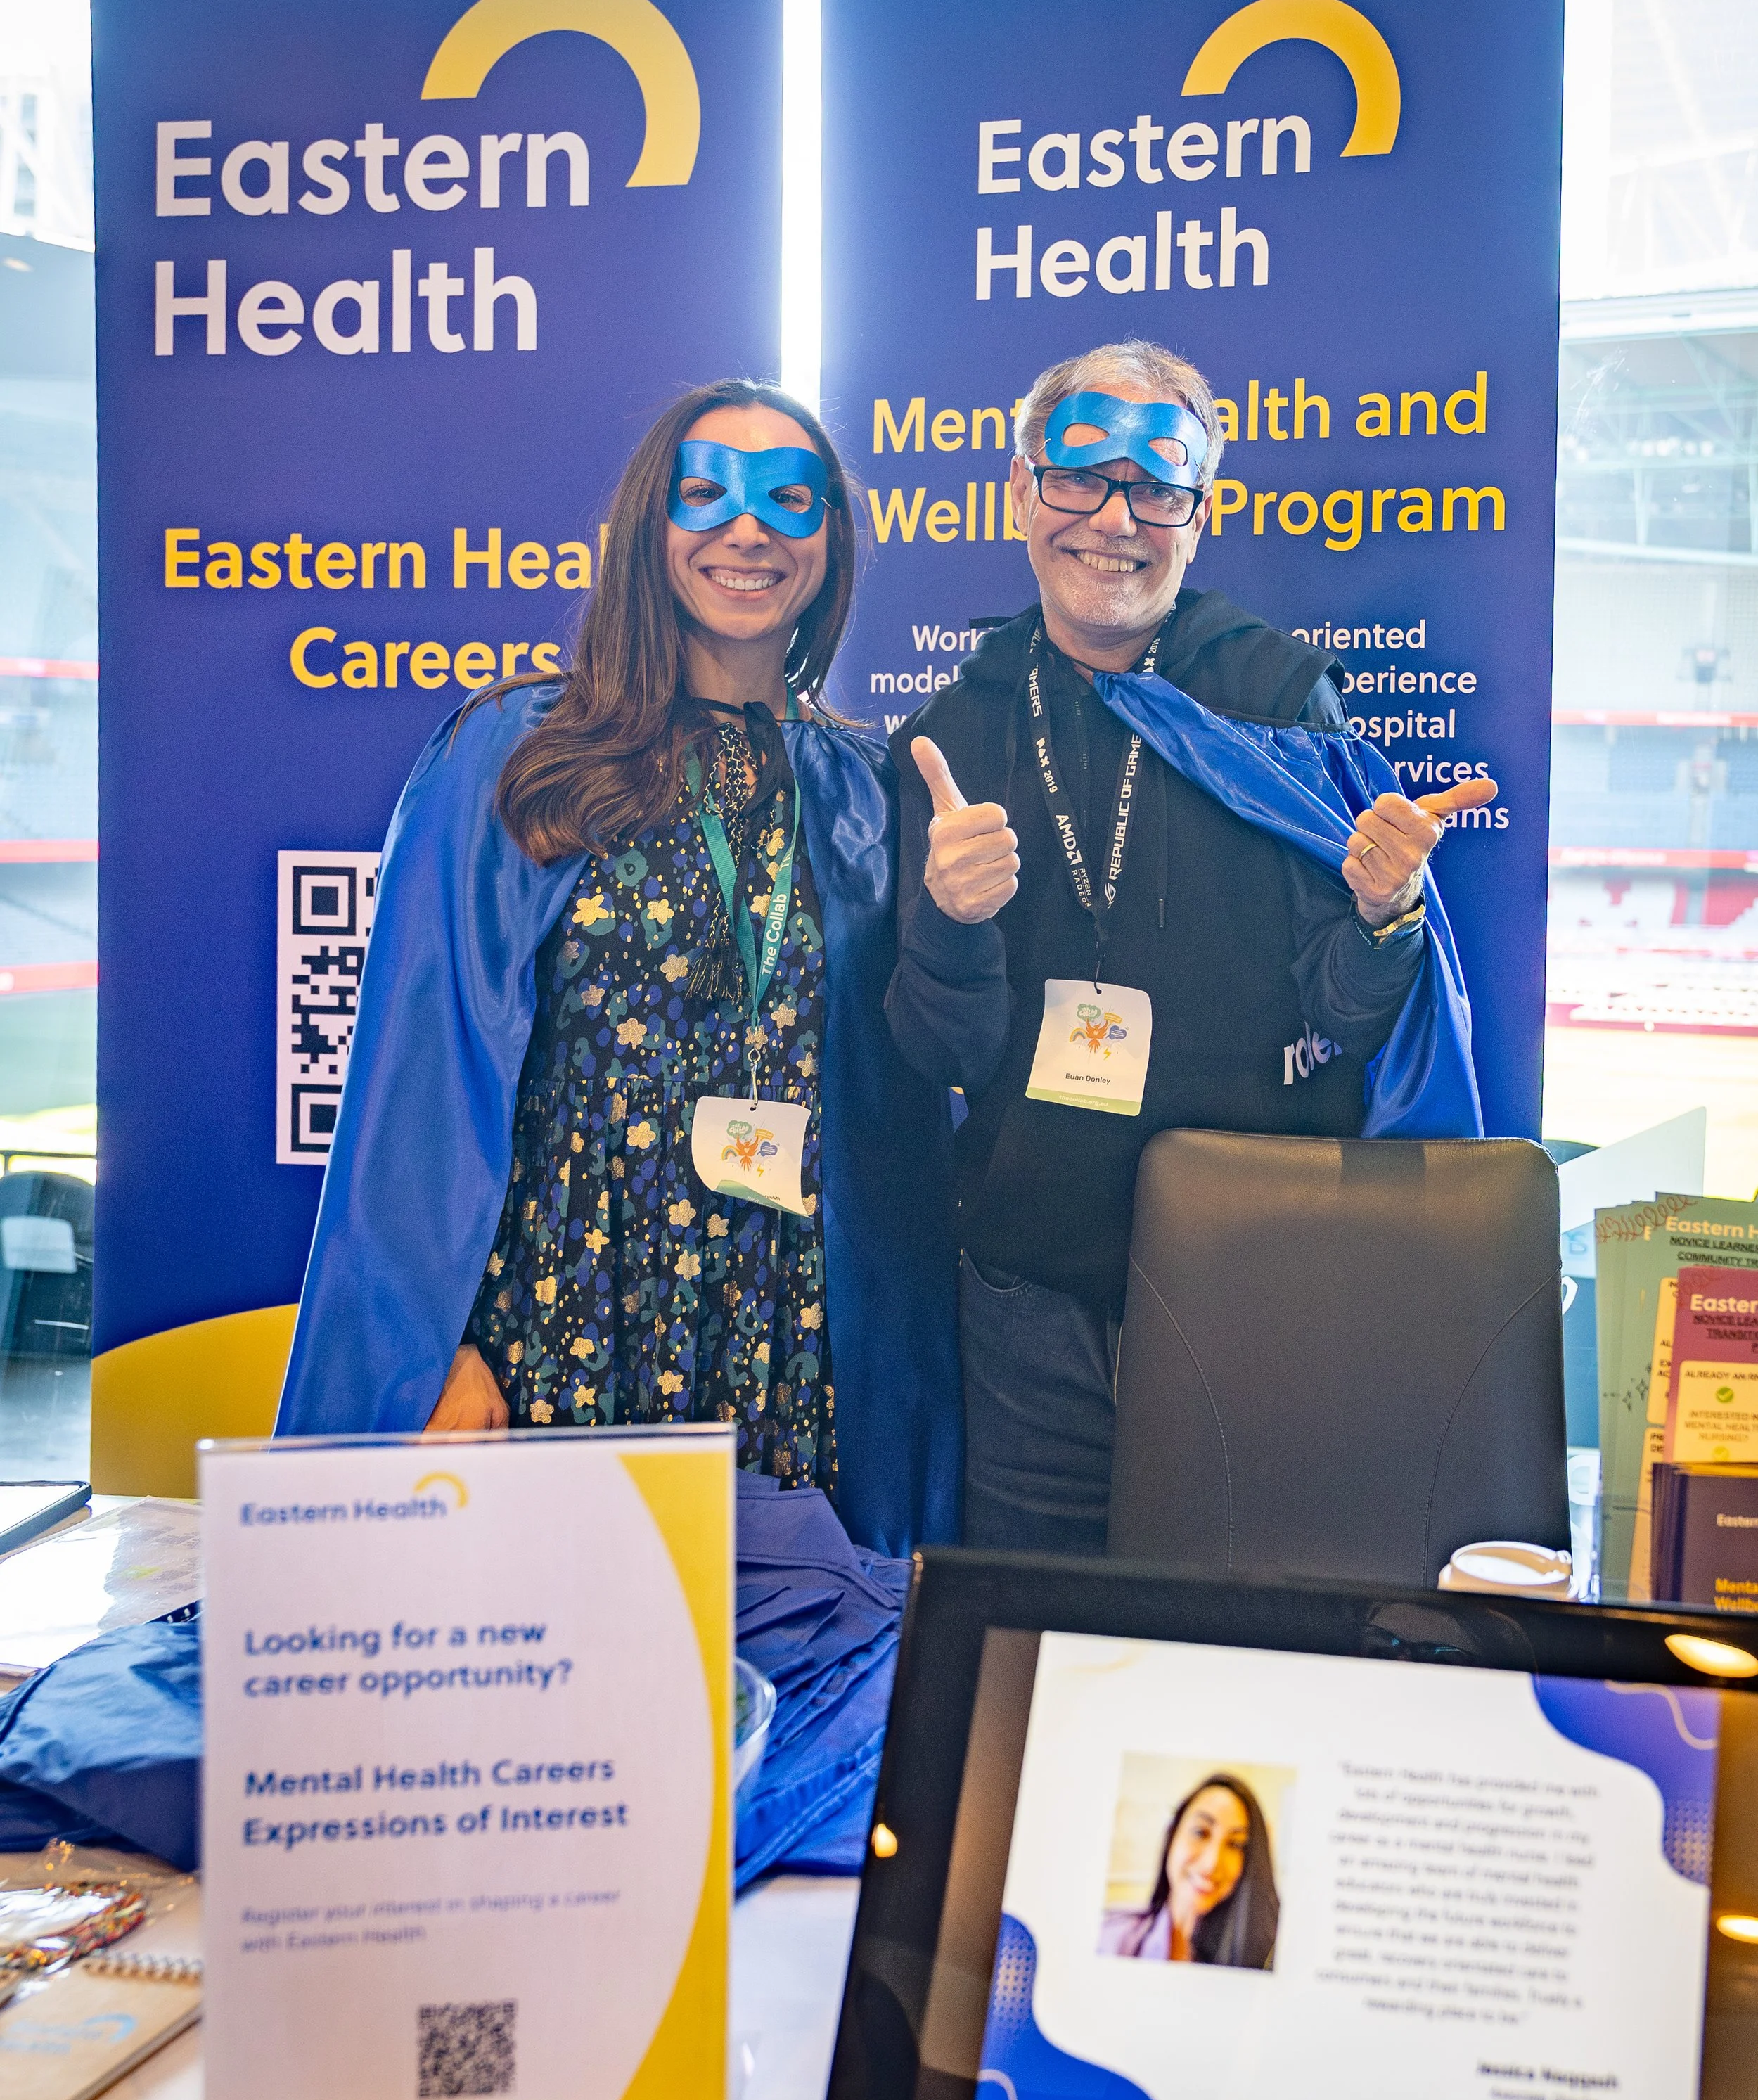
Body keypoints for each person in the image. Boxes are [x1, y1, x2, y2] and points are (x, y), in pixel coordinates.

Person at [276, 380, 962, 1556]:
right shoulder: (517, 753)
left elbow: (902, 1111)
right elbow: (419, 1084)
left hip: (786, 1337)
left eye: (790, 503)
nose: (748, 531)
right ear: (650, 528)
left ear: (829, 549)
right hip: (565, 1324)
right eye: (708, 496)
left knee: (771, 1701)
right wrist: (435, 1344)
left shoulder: (866, 783)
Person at [887, 339, 1480, 1554]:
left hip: (1253, 1289)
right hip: (1030, 1310)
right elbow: (948, 1053)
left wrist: (1384, 918)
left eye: (1156, 487)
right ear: (1022, 490)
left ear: (1197, 517)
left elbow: (1352, 1018)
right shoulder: (957, 731)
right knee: (1036, 1668)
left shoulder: (1272, 698)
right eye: (1080, 475)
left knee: (1239, 1661)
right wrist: (950, 926)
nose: (1115, 517)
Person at [1098, 1774, 1279, 1968]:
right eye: (1200, 1832)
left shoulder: (1264, 1956)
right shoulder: (1108, 1937)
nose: (1212, 1863)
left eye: (1235, 1844)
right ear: (1172, 1836)